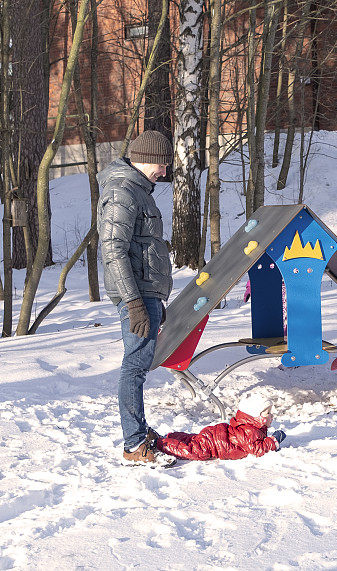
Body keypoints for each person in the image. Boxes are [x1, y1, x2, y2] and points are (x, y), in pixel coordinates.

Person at [97, 130, 175, 466]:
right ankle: (133, 443)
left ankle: (139, 431)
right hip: (136, 295)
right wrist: (134, 302)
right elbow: (113, 250)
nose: (165, 171)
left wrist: (155, 298)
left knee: (139, 365)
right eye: (163, 162)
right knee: (135, 367)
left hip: (145, 292)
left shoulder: (139, 191)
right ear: (148, 158)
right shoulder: (122, 191)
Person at [156, 393, 286, 461]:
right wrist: (274, 441)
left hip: (216, 437)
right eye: (267, 413)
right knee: (193, 450)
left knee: (193, 440)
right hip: (214, 445)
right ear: (254, 417)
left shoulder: (251, 428)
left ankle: (171, 437)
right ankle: (162, 444)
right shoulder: (249, 431)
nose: (271, 416)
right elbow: (258, 449)